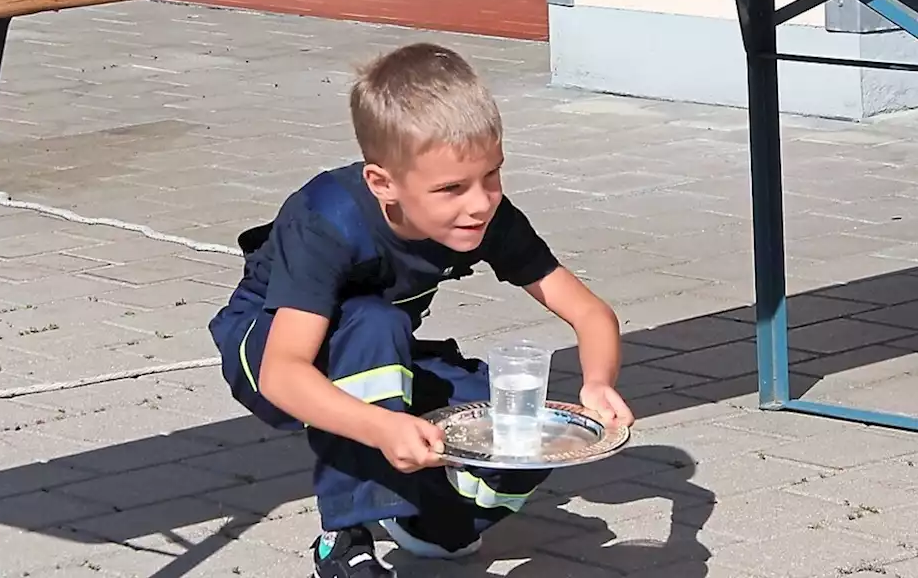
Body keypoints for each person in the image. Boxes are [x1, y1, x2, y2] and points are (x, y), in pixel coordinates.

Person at [207, 42, 634, 578]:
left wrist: (598, 382)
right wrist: (381, 429)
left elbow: (591, 313)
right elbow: (282, 372)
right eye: (452, 188)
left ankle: (427, 523)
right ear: (382, 183)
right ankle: (344, 540)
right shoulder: (326, 220)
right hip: (266, 352)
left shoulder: (486, 216)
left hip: (374, 360)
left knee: (516, 425)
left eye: (492, 175)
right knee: (375, 323)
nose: (479, 202)